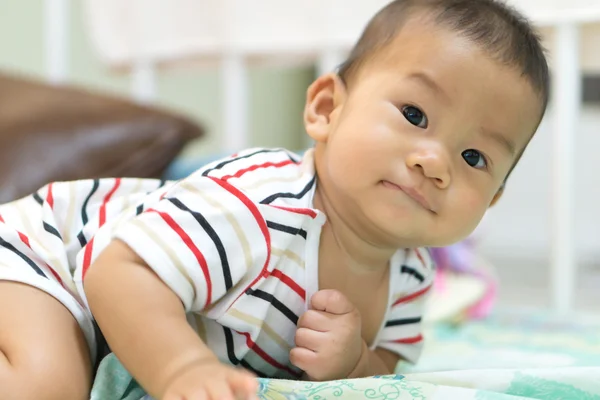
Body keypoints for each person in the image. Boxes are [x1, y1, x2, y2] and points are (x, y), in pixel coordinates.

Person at [0, 0, 549, 399]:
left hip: (95, 305)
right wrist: (181, 370)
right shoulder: (263, 207)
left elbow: (388, 364)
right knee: (47, 385)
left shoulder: (410, 277)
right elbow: (117, 272)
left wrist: (356, 360)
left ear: (494, 198)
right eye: (414, 115)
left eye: (474, 157)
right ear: (327, 110)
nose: (435, 162)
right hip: (50, 253)